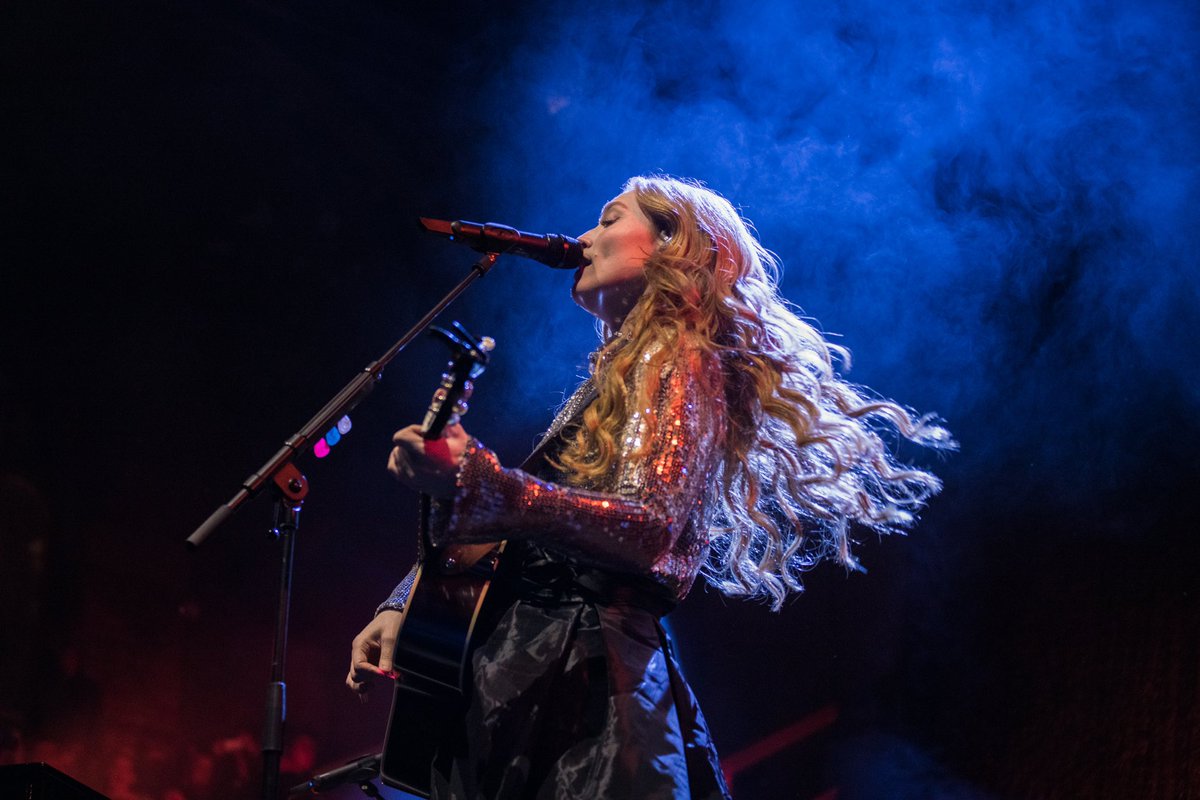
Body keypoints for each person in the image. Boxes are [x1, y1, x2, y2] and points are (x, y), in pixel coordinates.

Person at [346, 175, 952, 799]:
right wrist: (408, 601)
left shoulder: (679, 356)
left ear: (672, 244)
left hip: (586, 686)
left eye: (609, 220)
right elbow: (531, 532)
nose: (584, 238)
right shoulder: (622, 375)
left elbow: (648, 529)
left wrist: (482, 483)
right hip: (535, 675)